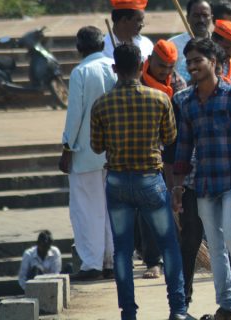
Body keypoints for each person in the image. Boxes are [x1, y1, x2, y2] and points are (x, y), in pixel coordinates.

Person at [90, 44, 186, 320]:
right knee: (169, 246)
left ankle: (129, 313)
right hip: (150, 180)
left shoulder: (102, 104)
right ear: (142, 65)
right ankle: (178, 310)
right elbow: (170, 137)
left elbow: (97, 146)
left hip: (117, 181)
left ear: (114, 69)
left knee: (122, 251)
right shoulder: (159, 99)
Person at [173, 38, 231, 320]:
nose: (192, 66)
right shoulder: (187, 102)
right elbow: (184, 147)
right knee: (215, 245)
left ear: (213, 62)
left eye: (197, 61)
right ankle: (226, 304)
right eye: (189, 62)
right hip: (204, 184)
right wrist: (178, 185)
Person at [61, 26, 116, 281]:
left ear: (79, 47)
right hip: (113, 153)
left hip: (85, 153)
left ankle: (92, 264)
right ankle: (110, 261)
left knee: (86, 210)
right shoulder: (115, 67)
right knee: (109, 209)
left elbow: (75, 115)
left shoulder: (80, 72)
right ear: (102, 45)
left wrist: (66, 147)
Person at [137, 40, 188, 280]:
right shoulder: (137, 82)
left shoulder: (178, 83)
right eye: (161, 66)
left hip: (174, 152)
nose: (165, 71)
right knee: (150, 208)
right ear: (150, 60)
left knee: (178, 204)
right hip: (146, 153)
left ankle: (179, 254)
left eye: (170, 67)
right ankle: (153, 260)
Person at [169, 0, 213, 82]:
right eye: (196, 16)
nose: (201, 20)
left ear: (211, 17)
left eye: (205, 15)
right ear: (187, 18)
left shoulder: (220, 44)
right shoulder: (173, 44)